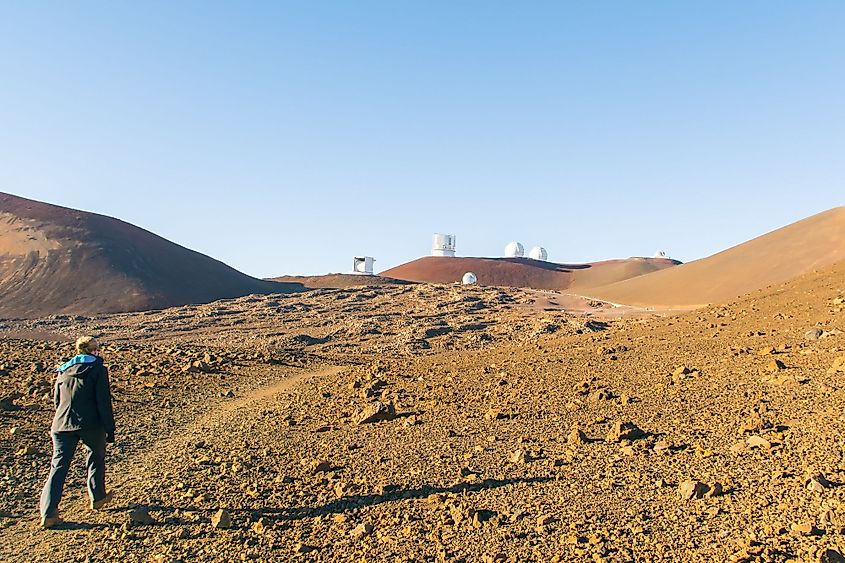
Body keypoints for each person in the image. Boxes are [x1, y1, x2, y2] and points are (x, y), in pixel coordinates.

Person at [39, 336, 116, 528]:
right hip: (90, 424)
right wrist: (109, 428)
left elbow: (57, 400)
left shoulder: (63, 370)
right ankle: (97, 497)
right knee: (96, 457)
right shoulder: (98, 369)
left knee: (58, 466)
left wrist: (63, 419)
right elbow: (103, 401)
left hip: (61, 424)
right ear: (92, 351)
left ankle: (48, 512)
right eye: (97, 349)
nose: (99, 352)